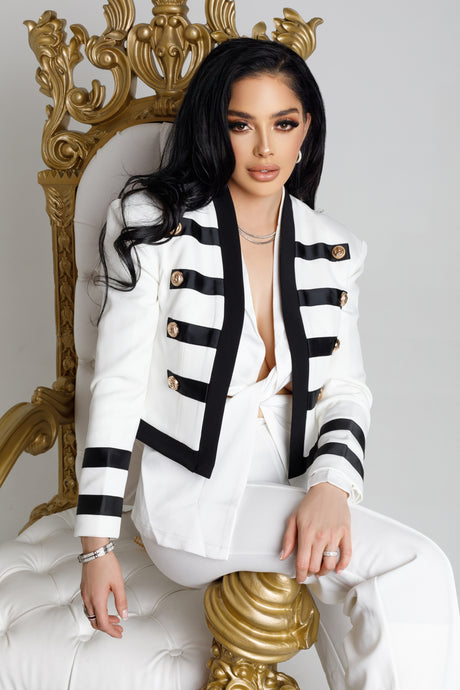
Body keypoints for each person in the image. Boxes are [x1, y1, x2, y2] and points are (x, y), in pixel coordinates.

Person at [75, 38, 460, 689]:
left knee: (378, 613)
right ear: (214, 128)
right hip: (195, 501)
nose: (263, 148)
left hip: (296, 486)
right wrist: (97, 544)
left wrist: (332, 487)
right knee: (415, 565)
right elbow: (117, 386)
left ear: (306, 129)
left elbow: (347, 391)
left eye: (282, 124)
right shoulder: (154, 226)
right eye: (241, 124)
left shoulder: (333, 248)